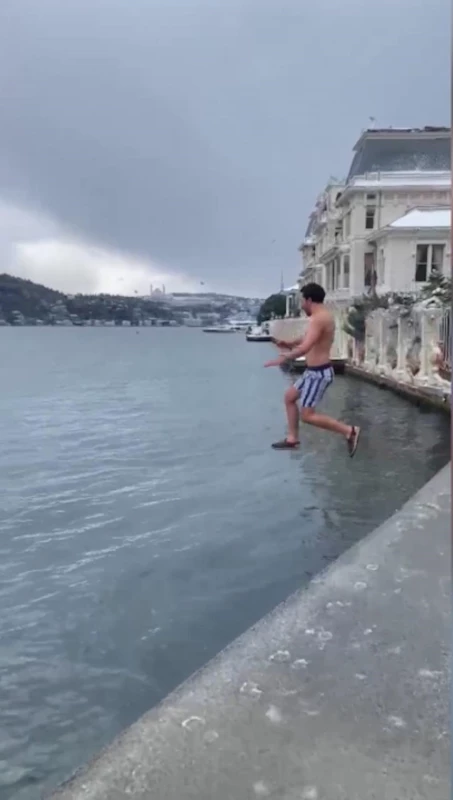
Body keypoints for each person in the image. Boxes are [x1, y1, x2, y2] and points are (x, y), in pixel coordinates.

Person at [264, 282, 360, 456]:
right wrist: (289, 343)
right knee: (289, 397)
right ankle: (292, 439)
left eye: (302, 301)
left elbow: (306, 347)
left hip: (318, 373)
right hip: (313, 372)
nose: (301, 305)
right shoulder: (321, 317)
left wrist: (284, 357)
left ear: (309, 300)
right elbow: (308, 338)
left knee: (307, 415)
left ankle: (349, 431)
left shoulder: (319, 318)